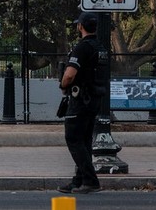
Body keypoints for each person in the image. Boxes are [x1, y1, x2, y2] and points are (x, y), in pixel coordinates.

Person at [57, 11, 103, 194]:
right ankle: (79, 180)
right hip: (95, 98)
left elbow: (69, 75)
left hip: (80, 99)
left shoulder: (82, 47)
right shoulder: (100, 47)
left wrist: (63, 84)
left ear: (80, 26)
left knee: (73, 138)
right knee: (84, 141)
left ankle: (90, 180)